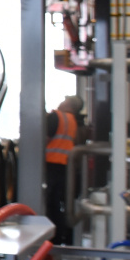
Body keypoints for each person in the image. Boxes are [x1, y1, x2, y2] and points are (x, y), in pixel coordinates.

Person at [45, 95, 87, 245]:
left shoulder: (56, 116)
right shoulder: (72, 121)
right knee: (59, 201)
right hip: (65, 165)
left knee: (50, 202)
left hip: (50, 162)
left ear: (70, 105)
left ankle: (53, 236)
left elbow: (45, 138)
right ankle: (61, 235)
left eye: (64, 101)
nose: (61, 102)